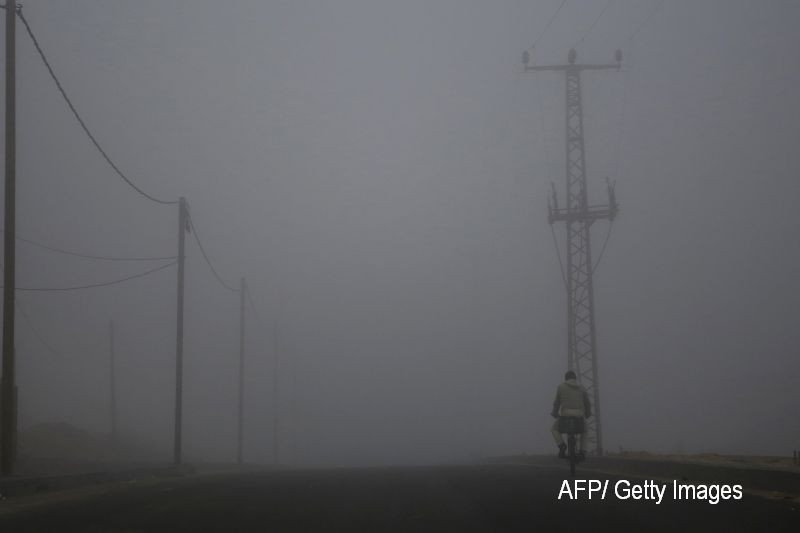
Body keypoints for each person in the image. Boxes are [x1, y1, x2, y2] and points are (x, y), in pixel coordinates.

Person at [550, 370, 592, 458]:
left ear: (566, 378)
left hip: (565, 416)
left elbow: (557, 403)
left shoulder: (561, 387)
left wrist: (554, 413)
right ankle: (583, 451)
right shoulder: (582, 388)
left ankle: (562, 445)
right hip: (579, 416)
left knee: (554, 429)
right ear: (575, 378)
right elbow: (587, 403)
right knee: (585, 430)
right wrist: (588, 413)